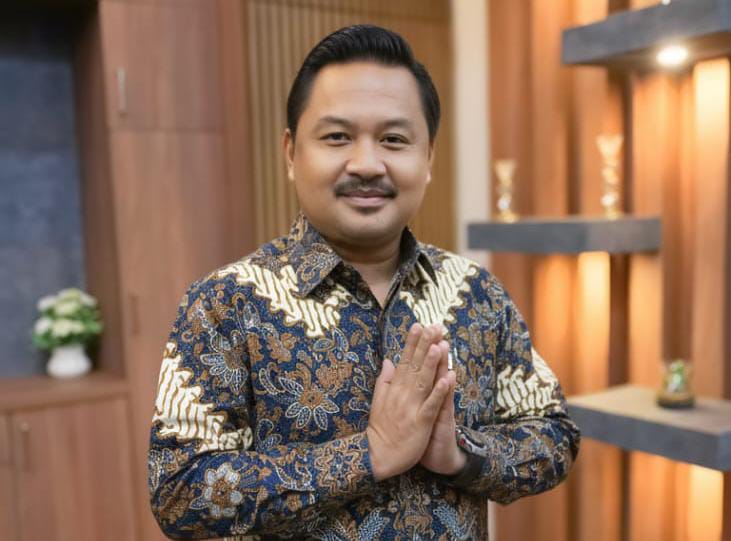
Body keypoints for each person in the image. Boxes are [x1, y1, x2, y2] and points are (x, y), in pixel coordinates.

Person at [148, 24, 579, 540]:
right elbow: (178, 490)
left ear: (428, 157)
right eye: (337, 137)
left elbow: (554, 434)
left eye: (394, 139)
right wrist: (367, 454)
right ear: (291, 152)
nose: (368, 164)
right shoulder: (225, 302)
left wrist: (461, 454)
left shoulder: (477, 294)